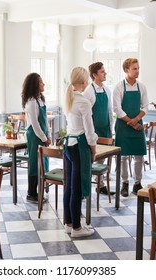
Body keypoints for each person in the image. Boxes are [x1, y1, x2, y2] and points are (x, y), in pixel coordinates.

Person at [63, 66, 97, 238]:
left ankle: (69, 223)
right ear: (85, 82)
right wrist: (94, 149)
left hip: (68, 145)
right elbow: (90, 132)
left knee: (69, 186)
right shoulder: (83, 101)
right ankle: (77, 228)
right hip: (79, 146)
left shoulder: (69, 98)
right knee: (76, 188)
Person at [113, 58, 149, 197]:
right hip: (123, 126)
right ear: (126, 70)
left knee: (139, 156)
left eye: (138, 68)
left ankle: (137, 183)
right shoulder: (119, 87)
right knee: (122, 156)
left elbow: (145, 106)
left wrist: (136, 120)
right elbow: (117, 108)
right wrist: (131, 122)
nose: (137, 71)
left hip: (137, 124)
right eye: (134, 68)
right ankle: (125, 183)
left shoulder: (142, 87)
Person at [83, 62, 114, 195]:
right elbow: (86, 114)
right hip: (93, 131)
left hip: (105, 129)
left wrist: (111, 129)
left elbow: (110, 110)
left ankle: (100, 185)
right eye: (102, 71)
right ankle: (85, 186)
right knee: (91, 159)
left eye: (104, 71)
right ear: (94, 75)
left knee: (103, 159)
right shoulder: (88, 91)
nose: (105, 73)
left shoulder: (107, 90)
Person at [21, 73, 51, 203]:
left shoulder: (40, 100)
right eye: (40, 82)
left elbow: (45, 122)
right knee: (34, 164)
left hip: (42, 135)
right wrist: (44, 138)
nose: (43, 84)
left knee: (42, 164)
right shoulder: (32, 102)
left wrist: (48, 135)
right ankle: (31, 193)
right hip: (35, 136)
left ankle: (39, 191)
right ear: (34, 85)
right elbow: (35, 123)